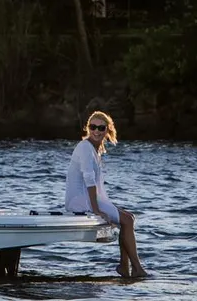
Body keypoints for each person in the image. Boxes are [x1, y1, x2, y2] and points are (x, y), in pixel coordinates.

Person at [65, 111, 147, 278]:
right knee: (127, 220)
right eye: (92, 127)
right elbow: (89, 180)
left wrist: (105, 205)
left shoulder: (96, 150)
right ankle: (135, 268)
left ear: (107, 130)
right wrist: (96, 210)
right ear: (88, 128)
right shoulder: (85, 148)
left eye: (101, 127)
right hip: (81, 201)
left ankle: (125, 266)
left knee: (129, 217)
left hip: (90, 198)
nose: (96, 131)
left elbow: (96, 185)